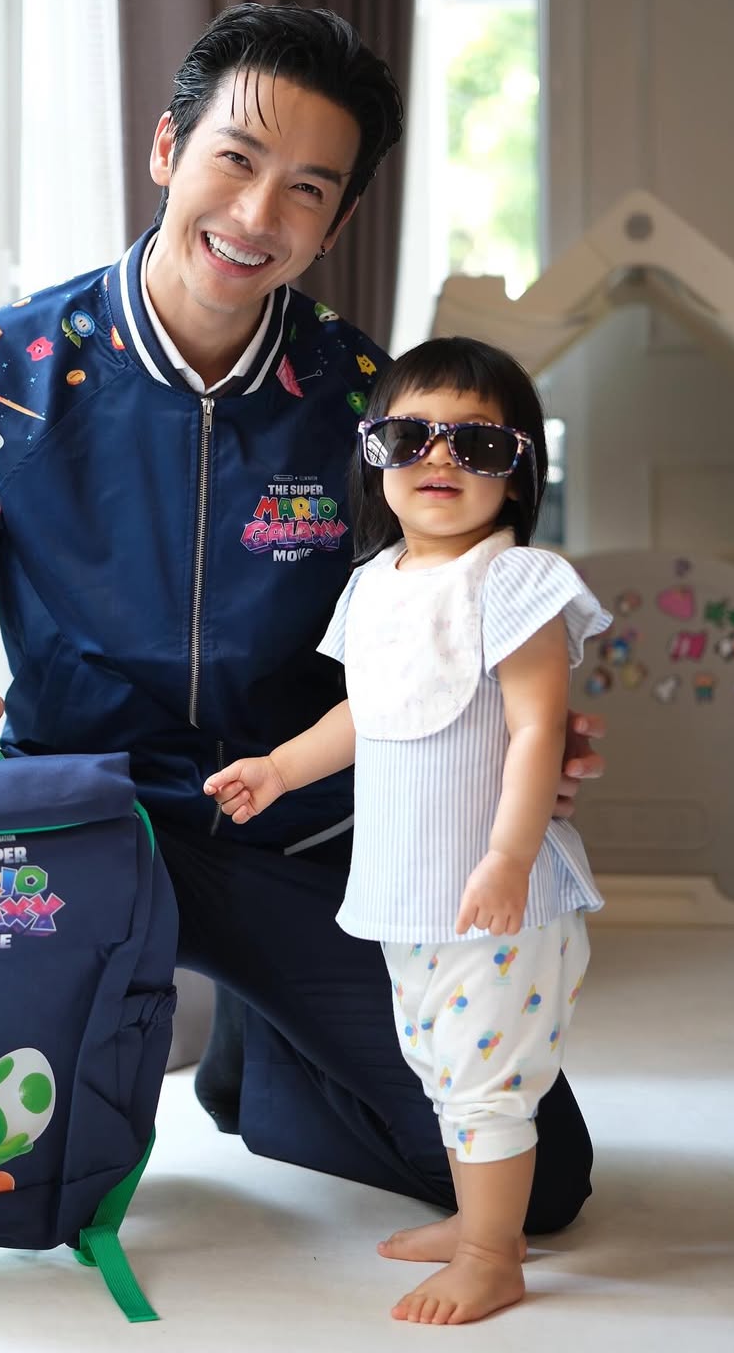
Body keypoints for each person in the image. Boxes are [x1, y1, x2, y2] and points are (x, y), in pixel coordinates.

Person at [0, 4, 606, 1245]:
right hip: (82, 828)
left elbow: (454, 600)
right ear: (168, 148)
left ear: (337, 223)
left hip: (303, 838)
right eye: (236, 160)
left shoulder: (366, 405)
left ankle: (266, 1067)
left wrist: (522, 723)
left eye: (307, 189)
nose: (257, 216)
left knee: (541, 1183)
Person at [204, 335, 611, 1324]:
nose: (440, 458)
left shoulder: (516, 583)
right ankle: (482, 1223)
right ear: (372, 456)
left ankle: (491, 1255)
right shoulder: (374, 582)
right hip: (409, 891)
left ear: (519, 474)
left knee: (484, 1078)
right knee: (436, 1060)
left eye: (479, 444)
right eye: (409, 436)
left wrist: (510, 856)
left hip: (497, 896)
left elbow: (536, 731)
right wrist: (279, 768)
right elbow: (365, 711)